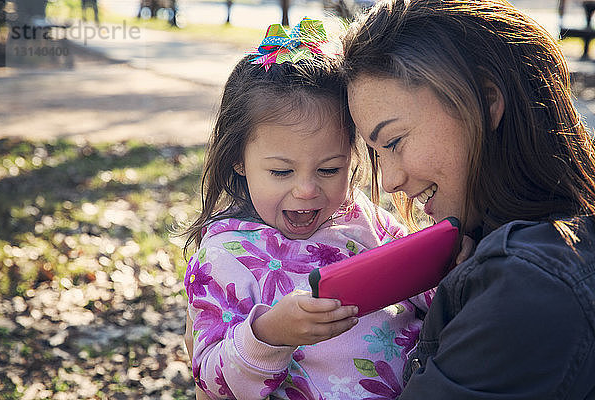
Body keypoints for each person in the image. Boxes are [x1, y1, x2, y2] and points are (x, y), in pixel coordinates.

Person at [341, 0, 595, 398]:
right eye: (376, 153)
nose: (388, 181)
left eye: (393, 142)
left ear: (487, 101)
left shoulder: (528, 287)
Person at [182, 18, 439, 399]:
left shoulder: (367, 222)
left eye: (329, 169)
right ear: (239, 160)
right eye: (281, 171)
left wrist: (448, 264)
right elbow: (212, 381)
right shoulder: (222, 256)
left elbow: (428, 288)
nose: (306, 189)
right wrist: (269, 334)